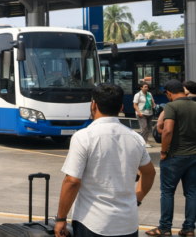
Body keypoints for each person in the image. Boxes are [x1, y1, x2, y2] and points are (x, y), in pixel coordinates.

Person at [56, 83, 155, 237]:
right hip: (128, 224)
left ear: (93, 104)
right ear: (121, 108)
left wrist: (61, 218)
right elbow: (149, 173)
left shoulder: (83, 137)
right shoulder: (136, 138)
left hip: (92, 223)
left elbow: (72, 182)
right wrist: (137, 199)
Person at [148, 80, 196, 236]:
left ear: (168, 93)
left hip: (174, 156)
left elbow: (167, 131)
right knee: (192, 193)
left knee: (167, 193)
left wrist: (163, 151)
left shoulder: (172, 106)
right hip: (193, 156)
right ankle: (189, 229)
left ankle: (165, 228)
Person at [134, 82, 155, 147]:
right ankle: (145, 142)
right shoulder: (138, 95)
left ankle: (140, 140)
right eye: (145, 87)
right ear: (141, 88)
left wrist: (154, 106)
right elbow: (135, 105)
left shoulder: (149, 94)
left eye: (147, 86)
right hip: (141, 113)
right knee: (144, 128)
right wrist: (139, 113)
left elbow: (152, 102)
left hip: (149, 113)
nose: (147, 88)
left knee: (148, 128)